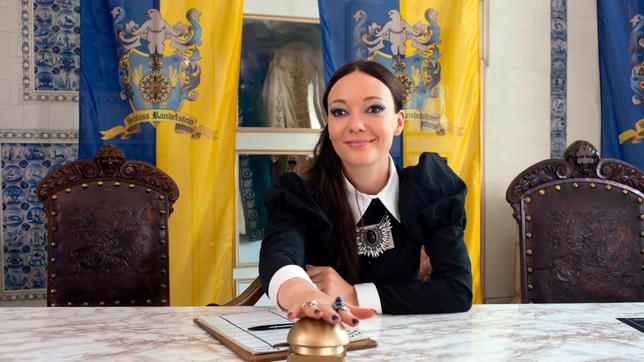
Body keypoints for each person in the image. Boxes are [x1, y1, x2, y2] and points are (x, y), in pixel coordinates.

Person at [259, 60, 472, 327]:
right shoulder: (301, 195)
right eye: (339, 112)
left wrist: (353, 294)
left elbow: (456, 290)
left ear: (398, 122)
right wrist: (302, 292)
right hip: (327, 343)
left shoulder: (430, 189)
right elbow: (280, 253)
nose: (356, 124)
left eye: (374, 109)